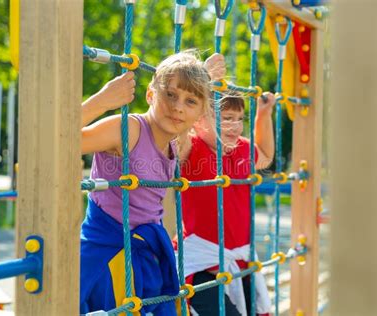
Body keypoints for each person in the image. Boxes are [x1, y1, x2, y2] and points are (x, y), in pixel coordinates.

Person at [79, 51, 224, 314]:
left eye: (190, 101)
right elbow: (63, 136)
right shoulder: (129, 130)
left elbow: (216, 141)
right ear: (150, 95)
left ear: (201, 112)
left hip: (147, 252)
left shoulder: (177, 143)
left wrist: (206, 76)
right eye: (170, 95)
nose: (178, 107)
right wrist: (102, 101)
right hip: (105, 250)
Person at [178, 84, 276, 316]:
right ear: (198, 119)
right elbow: (176, 134)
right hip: (201, 262)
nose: (235, 126)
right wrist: (199, 86)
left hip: (239, 260)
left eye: (240, 118)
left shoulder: (242, 148)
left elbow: (265, 156)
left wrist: (263, 115)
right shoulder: (192, 148)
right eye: (226, 118)